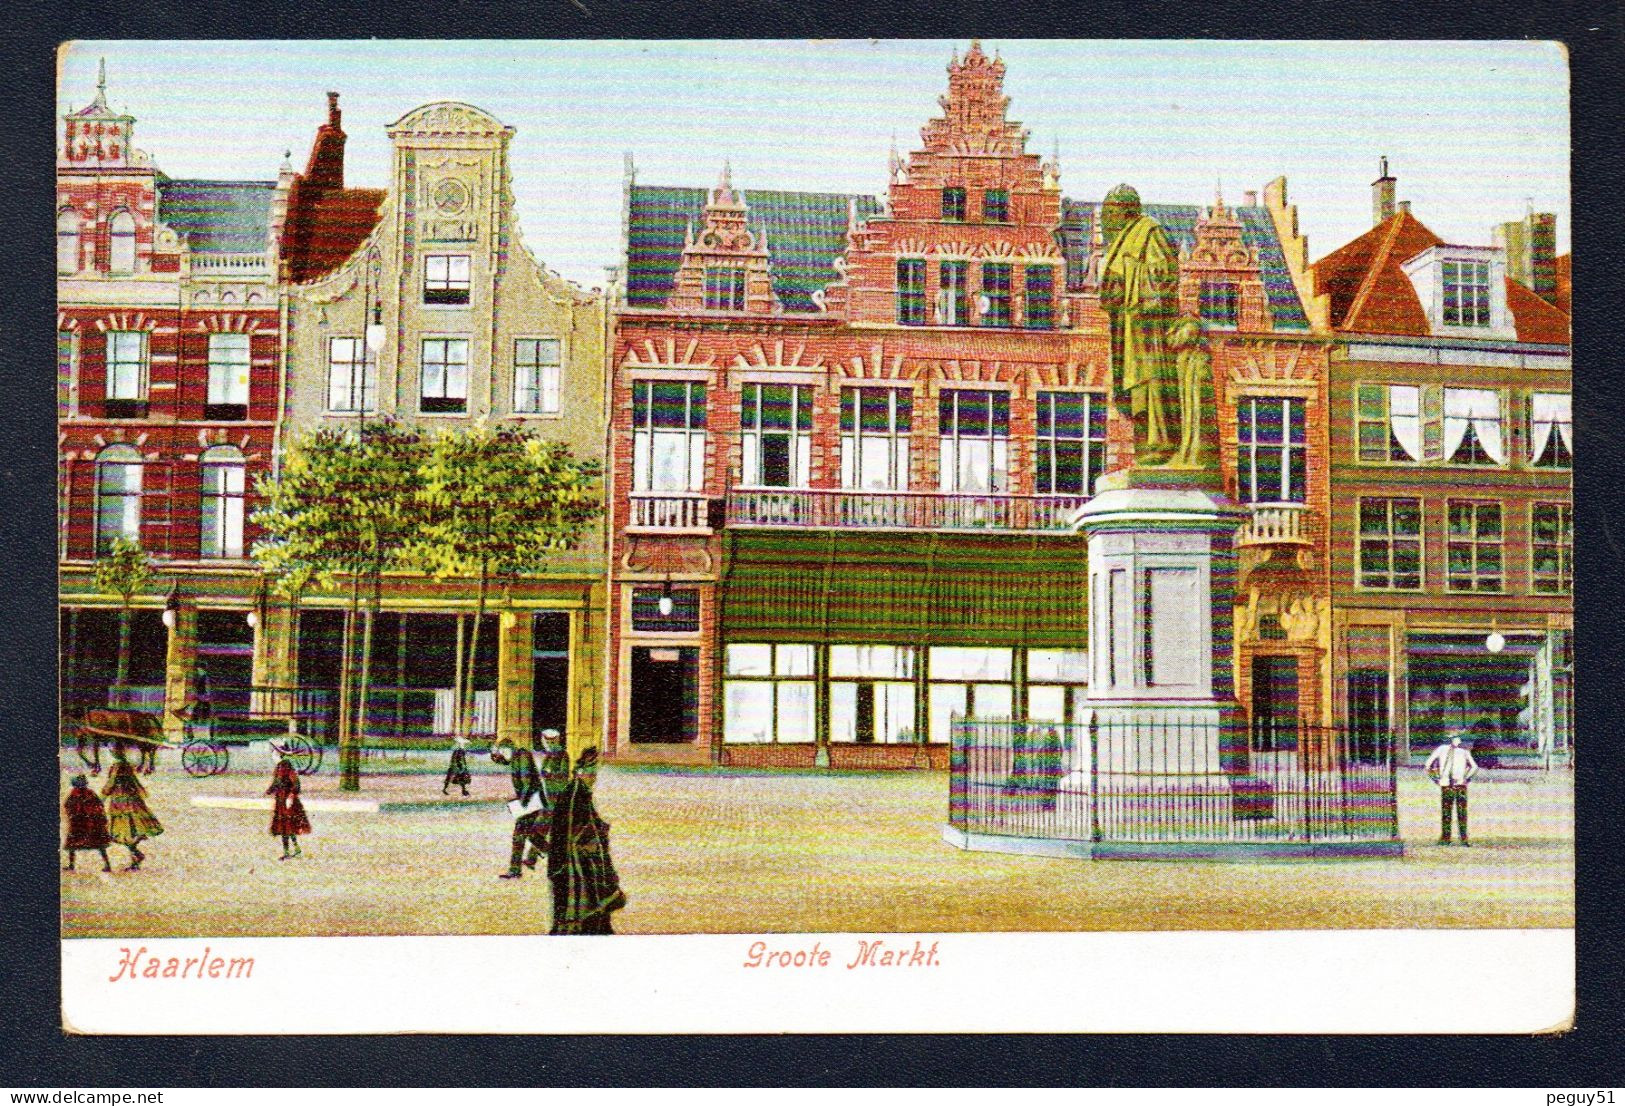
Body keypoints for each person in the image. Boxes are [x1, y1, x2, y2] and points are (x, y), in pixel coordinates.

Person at [1099, 183, 1183, 468]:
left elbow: (1164, 274)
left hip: (1149, 327)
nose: (1105, 219)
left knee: (1152, 383)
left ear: (1126, 211)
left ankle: (1161, 443)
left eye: (1110, 212)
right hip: (1127, 324)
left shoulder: (1149, 231)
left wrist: (1141, 292)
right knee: (1134, 386)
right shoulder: (1123, 239)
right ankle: (1146, 444)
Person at [546, 748, 627, 935]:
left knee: (595, 904)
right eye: (592, 773)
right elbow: (570, 830)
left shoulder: (580, 791)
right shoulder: (574, 793)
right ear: (581, 772)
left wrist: (600, 829)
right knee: (583, 907)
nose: (594, 778)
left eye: (595, 773)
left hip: (585, 861)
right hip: (575, 866)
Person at [491, 736, 548, 879]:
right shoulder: (517, 756)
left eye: (501, 753)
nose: (502, 757)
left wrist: (521, 805)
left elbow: (527, 783)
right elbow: (506, 764)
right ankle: (558, 858)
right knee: (530, 835)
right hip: (530, 801)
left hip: (531, 802)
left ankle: (515, 871)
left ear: (506, 749)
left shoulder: (521, 756)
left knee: (520, 836)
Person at [102, 740, 162, 871]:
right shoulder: (126, 765)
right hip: (130, 800)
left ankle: (136, 856)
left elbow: (110, 784)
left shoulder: (118, 767)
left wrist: (102, 798)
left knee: (124, 831)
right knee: (129, 830)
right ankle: (135, 856)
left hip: (121, 802)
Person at [1425, 731, 1479, 845]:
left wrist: (1467, 778)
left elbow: (1474, 766)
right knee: (1448, 812)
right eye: (1456, 738)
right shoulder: (1442, 749)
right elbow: (1428, 764)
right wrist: (1436, 778)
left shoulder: (1463, 752)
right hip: (1447, 784)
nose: (1458, 741)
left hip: (1459, 784)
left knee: (1460, 812)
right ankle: (1447, 837)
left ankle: (1462, 838)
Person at [267, 746, 312, 859]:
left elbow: (295, 783)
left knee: (286, 826)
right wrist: (269, 791)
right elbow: (276, 783)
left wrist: (291, 796)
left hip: (286, 799)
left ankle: (287, 852)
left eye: (274, 753)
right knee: (288, 826)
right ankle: (296, 849)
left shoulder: (284, 766)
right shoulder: (280, 766)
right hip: (282, 799)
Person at [63, 774, 113, 873]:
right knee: (100, 846)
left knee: (73, 845)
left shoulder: (74, 793)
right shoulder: (90, 793)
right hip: (91, 824)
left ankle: (71, 865)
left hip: (80, 823)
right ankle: (107, 865)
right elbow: (99, 806)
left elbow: (67, 806)